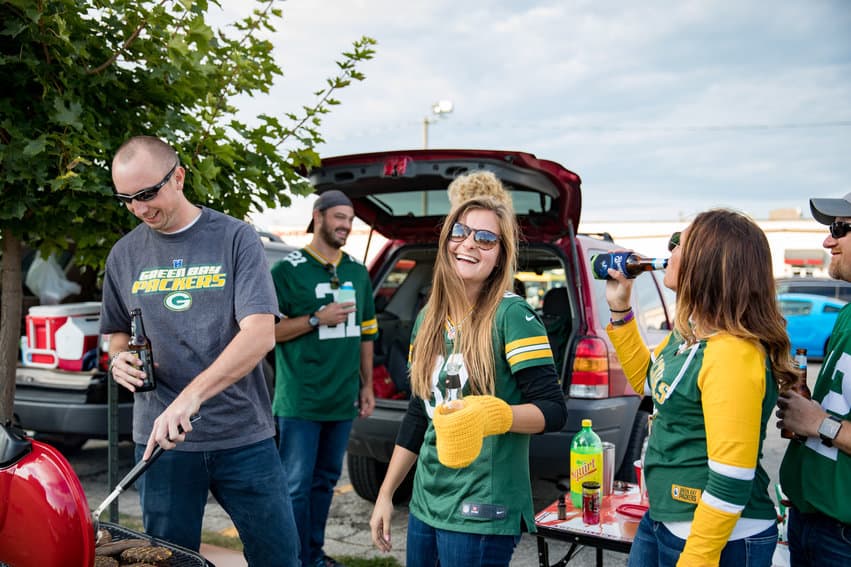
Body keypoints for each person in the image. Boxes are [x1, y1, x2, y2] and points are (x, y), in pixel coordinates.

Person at [100, 136, 299, 566]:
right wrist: (118, 359)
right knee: (168, 562)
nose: (139, 208)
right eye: (127, 199)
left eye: (147, 194)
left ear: (178, 177)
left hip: (242, 435)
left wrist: (192, 396)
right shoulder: (123, 255)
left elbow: (260, 333)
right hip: (161, 442)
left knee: (279, 556)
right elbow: (115, 332)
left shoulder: (235, 238)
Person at [368, 171, 567, 567]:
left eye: (486, 238)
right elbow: (417, 414)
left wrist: (492, 414)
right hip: (426, 502)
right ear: (445, 241)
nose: (469, 244)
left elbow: (553, 410)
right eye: (460, 232)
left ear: (500, 257)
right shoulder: (428, 317)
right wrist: (387, 494)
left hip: (482, 508)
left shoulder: (513, 315)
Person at [604, 209, 795, 567]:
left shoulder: (734, 354)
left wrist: (698, 557)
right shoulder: (689, 335)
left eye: (680, 242)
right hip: (664, 519)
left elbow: (731, 480)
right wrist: (620, 310)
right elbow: (650, 383)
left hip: (720, 538)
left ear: (707, 263)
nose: (669, 250)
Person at [271, 190, 378, 567]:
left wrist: (366, 385)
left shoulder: (356, 271)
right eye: (339, 217)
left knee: (325, 482)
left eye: (350, 219)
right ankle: (291, 559)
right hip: (300, 399)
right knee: (295, 486)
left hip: (341, 399)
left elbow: (367, 333)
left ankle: (313, 555)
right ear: (318, 217)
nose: (346, 226)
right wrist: (317, 318)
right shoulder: (286, 270)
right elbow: (269, 332)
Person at [776, 193, 851, 566]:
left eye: (840, 228)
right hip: (810, 522)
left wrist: (820, 423)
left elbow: (826, 424)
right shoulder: (847, 315)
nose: (827, 241)